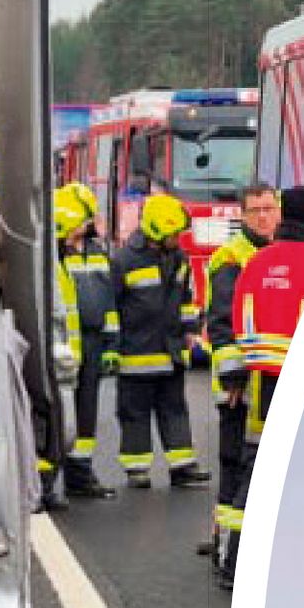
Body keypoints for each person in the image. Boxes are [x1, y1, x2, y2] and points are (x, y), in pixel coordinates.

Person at [206, 184, 304, 580]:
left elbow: (237, 321)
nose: (262, 216)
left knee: (253, 469)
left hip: (260, 384)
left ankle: (234, 562)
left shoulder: (258, 262)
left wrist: (239, 373)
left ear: (281, 213)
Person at [105, 192, 207, 489]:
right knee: (134, 414)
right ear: (157, 231)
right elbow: (112, 307)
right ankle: (137, 469)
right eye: (174, 234)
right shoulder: (124, 261)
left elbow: (186, 299)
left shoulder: (178, 259)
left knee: (175, 410)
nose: (178, 239)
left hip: (171, 351)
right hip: (135, 355)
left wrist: (191, 330)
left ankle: (182, 466)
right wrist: (112, 348)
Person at [202, 183, 284, 497]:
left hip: (268, 376)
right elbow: (222, 321)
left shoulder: (281, 251)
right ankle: (227, 523)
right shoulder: (231, 258)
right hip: (239, 383)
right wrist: (234, 375)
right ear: (243, 215)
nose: (263, 217)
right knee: (234, 459)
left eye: (269, 209)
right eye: (255, 211)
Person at [52, 182, 114, 497]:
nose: (89, 225)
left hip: (92, 343)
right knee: (57, 413)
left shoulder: (97, 252)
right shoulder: (53, 255)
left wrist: (111, 343)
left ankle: (80, 474)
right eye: (85, 219)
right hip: (61, 346)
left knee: (86, 413)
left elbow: (108, 299)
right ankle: (47, 482)